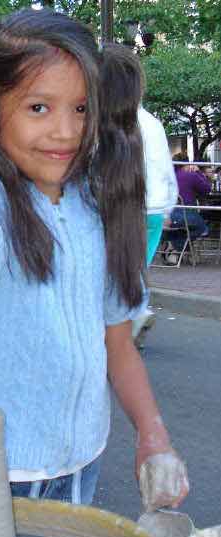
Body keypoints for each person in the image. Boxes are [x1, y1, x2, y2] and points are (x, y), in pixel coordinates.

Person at [0, 9, 189, 510]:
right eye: (39, 108)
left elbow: (117, 339)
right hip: (3, 475)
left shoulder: (89, 204)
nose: (65, 131)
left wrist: (152, 434)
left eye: (80, 109)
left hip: (81, 460)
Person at [98, 45, 179, 345]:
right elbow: (167, 170)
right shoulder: (153, 123)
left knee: (111, 265)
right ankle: (137, 308)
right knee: (137, 265)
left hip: (116, 206)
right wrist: (167, 207)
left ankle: (126, 315)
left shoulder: (100, 123)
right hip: (154, 208)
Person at [164, 156, 211, 265]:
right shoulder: (190, 175)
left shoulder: (166, 177)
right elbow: (206, 189)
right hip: (184, 214)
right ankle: (175, 247)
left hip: (165, 215)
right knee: (203, 229)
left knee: (181, 229)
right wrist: (198, 172)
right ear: (186, 164)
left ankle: (173, 248)